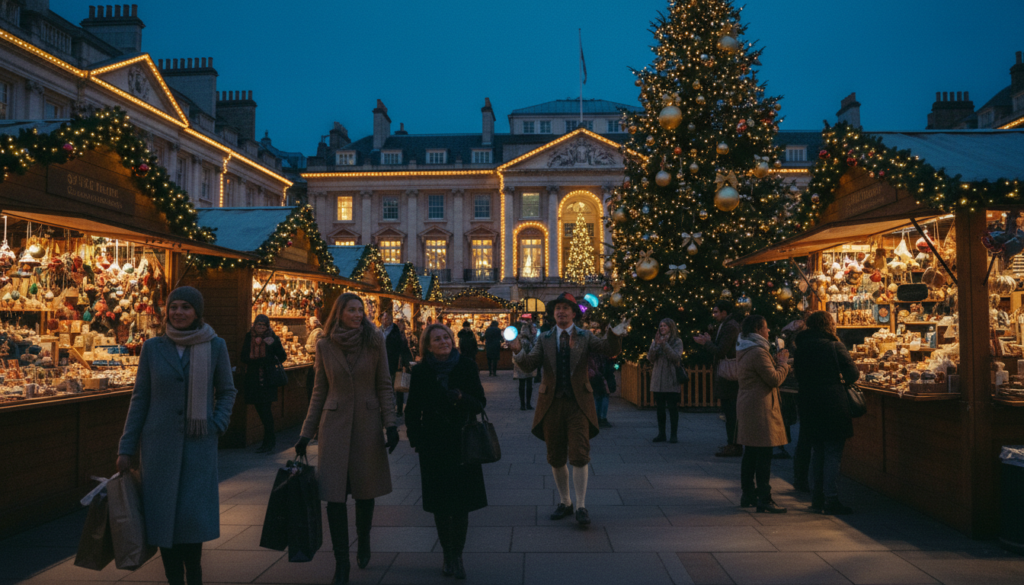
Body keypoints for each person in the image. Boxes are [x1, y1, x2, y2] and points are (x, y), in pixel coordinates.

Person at [116, 286, 237, 585]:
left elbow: (227, 391)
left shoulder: (215, 345)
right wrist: (126, 447)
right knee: (163, 525)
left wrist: (216, 424)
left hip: (198, 448)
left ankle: (194, 577)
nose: (178, 313)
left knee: (191, 523)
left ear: (197, 312)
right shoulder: (153, 348)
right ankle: (174, 580)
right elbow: (140, 399)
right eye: (174, 307)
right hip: (159, 450)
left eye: (186, 307)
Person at [295, 293, 401, 585]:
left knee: (365, 491)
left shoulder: (375, 340)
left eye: (360, 310)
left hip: (367, 424)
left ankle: (363, 539)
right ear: (338, 313)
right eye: (351, 310)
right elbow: (319, 391)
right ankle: (341, 561)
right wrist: (306, 433)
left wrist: (390, 424)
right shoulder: (325, 345)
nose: (357, 314)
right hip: (334, 426)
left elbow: (384, 383)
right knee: (334, 496)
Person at [511, 292, 627, 526]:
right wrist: (517, 351)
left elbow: (608, 349)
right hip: (551, 404)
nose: (561, 312)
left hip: (578, 404)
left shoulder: (585, 337)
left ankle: (581, 505)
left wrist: (615, 334)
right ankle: (565, 501)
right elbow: (530, 363)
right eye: (557, 309)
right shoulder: (544, 338)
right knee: (555, 456)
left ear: (574, 314)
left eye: (565, 309)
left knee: (579, 454)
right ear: (553, 314)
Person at [405, 323, 487, 579]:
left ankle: (458, 555)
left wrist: (462, 397)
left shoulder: (466, 366)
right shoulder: (420, 372)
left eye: (446, 338)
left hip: (462, 441)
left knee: (461, 503)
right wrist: (416, 439)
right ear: (427, 346)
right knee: (440, 504)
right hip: (433, 444)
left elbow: (480, 404)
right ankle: (447, 554)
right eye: (437, 339)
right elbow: (411, 410)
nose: (444, 342)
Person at [794, 311, 860, 515]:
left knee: (817, 451)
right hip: (832, 402)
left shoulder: (801, 347)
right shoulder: (834, 345)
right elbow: (853, 374)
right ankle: (831, 499)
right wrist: (839, 379)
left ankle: (817, 498)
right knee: (832, 452)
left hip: (808, 402)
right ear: (828, 325)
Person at [735, 314, 791, 514]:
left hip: (749, 405)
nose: (768, 332)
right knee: (764, 454)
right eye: (766, 328)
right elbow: (774, 379)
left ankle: (748, 494)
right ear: (758, 329)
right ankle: (764, 498)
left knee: (751, 453)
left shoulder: (744, 347)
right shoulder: (758, 351)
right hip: (760, 408)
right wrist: (783, 363)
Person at [694, 300, 743, 457]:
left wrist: (706, 343)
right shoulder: (726, 325)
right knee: (728, 410)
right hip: (726, 373)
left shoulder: (730, 326)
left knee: (731, 411)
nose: (714, 315)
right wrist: (711, 338)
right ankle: (732, 443)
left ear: (724, 312)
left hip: (729, 375)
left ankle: (734, 444)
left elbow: (721, 350)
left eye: (716, 312)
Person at [240, 314, 287, 453]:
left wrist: (272, 346)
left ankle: (269, 442)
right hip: (254, 380)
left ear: (267, 327)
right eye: (258, 325)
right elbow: (243, 356)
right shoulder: (249, 337)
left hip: (268, 380)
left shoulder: (273, 338)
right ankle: (268, 442)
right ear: (254, 325)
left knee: (266, 412)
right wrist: (254, 359)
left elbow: (282, 356)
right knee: (261, 411)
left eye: (263, 325)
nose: (260, 327)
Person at [648, 318, 685, 443]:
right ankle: (661, 433)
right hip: (658, 378)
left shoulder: (677, 341)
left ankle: (673, 434)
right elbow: (650, 358)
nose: (662, 328)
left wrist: (664, 344)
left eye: (665, 326)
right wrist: (656, 345)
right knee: (660, 408)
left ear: (671, 327)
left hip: (671, 378)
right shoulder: (656, 340)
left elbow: (675, 357)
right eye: (661, 325)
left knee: (672, 407)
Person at [381, 311, 414, 416]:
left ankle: (398, 409)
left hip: (394, 363)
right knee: (385, 387)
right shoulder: (378, 331)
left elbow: (403, 348)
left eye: (387, 318)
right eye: (384, 318)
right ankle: (387, 407)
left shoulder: (396, 332)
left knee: (397, 386)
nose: (385, 320)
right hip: (381, 363)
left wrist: (407, 363)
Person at [587, 323, 614, 428]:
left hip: (599, 373)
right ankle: (600, 418)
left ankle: (598, 418)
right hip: (598, 374)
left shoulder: (593, 346)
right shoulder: (597, 347)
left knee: (600, 396)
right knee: (601, 396)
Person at [513, 322, 537, 410]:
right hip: (526, 363)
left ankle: (524, 404)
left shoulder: (520, 338)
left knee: (524, 384)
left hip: (523, 363)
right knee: (527, 384)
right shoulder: (526, 340)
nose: (534, 330)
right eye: (533, 329)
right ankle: (526, 404)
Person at [305, 316, 324, 401]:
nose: (307, 325)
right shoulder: (314, 332)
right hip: (313, 363)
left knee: (313, 386)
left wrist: (307, 347)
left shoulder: (318, 332)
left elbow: (318, 348)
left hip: (315, 363)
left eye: (309, 323)